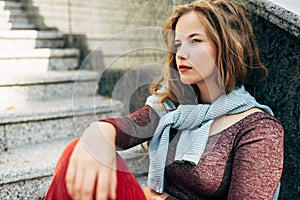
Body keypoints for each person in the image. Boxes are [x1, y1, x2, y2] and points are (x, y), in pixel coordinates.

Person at [45, 0, 284, 199]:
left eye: (195, 40)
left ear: (227, 46)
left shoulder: (258, 129)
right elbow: (122, 129)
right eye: (178, 43)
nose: (181, 53)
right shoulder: (171, 108)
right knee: (81, 147)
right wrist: (96, 135)